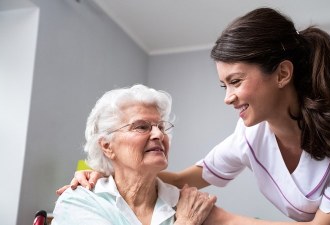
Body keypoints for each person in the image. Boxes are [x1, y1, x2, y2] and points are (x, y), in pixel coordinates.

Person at [57, 7, 330, 225]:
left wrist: (206, 220)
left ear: (282, 74)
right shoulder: (249, 136)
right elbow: (181, 180)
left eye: (235, 82)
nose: (228, 98)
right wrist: (98, 173)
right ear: (107, 144)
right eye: (223, 84)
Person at [52, 84, 216, 225]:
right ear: (107, 146)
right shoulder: (80, 201)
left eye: (161, 127)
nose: (158, 134)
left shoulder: (189, 203)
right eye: (142, 127)